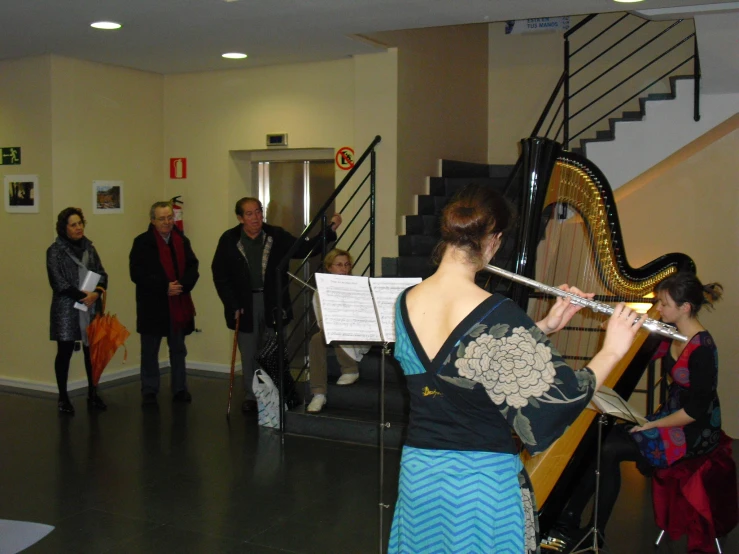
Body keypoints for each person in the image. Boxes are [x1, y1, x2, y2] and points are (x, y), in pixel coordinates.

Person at [387, 184, 645, 554]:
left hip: (421, 475)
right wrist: (613, 349)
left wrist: (544, 327)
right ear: (493, 240)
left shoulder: (405, 301)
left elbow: (457, 366)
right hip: (477, 485)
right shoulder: (496, 313)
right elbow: (559, 401)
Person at [551, 271, 723, 550]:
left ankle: (596, 529)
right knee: (600, 439)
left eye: (664, 304)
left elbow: (695, 412)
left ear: (685, 307)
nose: (658, 309)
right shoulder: (673, 333)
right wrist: (618, 332)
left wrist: (653, 425)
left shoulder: (703, 348)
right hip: (670, 417)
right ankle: (570, 516)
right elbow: (640, 350)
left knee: (609, 448)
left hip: (694, 430)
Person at [212, 197, 342, 413]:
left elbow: (304, 249)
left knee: (275, 349)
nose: (256, 217)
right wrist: (232, 304)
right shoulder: (229, 239)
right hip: (245, 303)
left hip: (273, 302)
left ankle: (277, 392)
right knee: (249, 350)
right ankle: (251, 396)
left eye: (258, 211)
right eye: (250, 213)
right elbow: (220, 275)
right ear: (240, 218)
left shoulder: (275, 235)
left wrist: (329, 231)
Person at [130, 201, 199, 405]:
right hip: (153, 305)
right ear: (153, 220)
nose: (167, 222)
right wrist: (164, 287)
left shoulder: (182, 241)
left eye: (170, 217)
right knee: (150, 350)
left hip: (178, 303)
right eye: (162, 218)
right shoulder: (142, 242)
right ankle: (149, 390)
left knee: (178, 349)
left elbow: (193, 267)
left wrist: (181, 286)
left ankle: (180, 388)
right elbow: (137, 274)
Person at [46, 207, 108, 414]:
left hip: (90, 307)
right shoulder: (54, 251)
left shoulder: (89, 248)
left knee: (92, 353)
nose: (79, 227)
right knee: (64, 353)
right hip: (66, 309)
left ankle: (93, 392)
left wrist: (96, 294)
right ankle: (63, 397)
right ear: (64, 228)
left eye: (80, 223)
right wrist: (83, 296)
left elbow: (102, 274)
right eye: (73, 224)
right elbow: (58, 283)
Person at [306, 248, 369, 414]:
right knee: (316, 339)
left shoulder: (358, 287)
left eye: (347, 265)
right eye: (339, 265)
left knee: (337, 328)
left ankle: (351, 369)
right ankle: (319, 393)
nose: (344, 269)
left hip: (358, 333)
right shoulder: (319, 292)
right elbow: (321, 322)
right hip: (333, 331)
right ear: (329, 267)